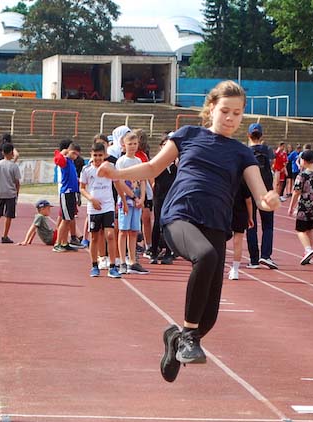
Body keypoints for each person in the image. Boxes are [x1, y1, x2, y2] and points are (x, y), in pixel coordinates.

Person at [96, 80, 280, 383]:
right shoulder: (188, 136)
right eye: (225, 111)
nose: (231, 118)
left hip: (216, 227)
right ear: (211, 109)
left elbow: (261, 194)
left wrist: (268, 200)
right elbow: (153, 168)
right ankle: (188, 339)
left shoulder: (242, 154)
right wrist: (118, 173)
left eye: (237, 113)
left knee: (208, 319)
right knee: (205, 258)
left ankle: (176, 339)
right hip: (179, 218)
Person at [79, 142, 121, 278]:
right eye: (95, 155)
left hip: (108, 205)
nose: (97, 158)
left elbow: (117, 184)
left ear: (105, 156)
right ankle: (94, 265)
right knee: (94, 237)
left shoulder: (110, 168)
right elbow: (82, 188)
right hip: (94, 208)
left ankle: (113, 266)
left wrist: (124, 201)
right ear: (91, 155)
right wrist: (91, 199)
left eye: (100, 155)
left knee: (110, 235)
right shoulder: (86, 170)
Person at [114, 131, 149, 275]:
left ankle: (132, 260)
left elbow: (142, 180)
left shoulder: (138, 161)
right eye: (130, 144)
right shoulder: (121, 162)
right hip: (126, 201)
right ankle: (122, 260)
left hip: (137, 201)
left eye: (135, 144)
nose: (133, 147)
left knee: (134, 231)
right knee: (123, 230)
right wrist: (132, 197)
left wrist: (142, 198)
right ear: (124, 145)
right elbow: (120, 182)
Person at [245, 123, 278, 270]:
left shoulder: (245, 151)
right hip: (266, 192)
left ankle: (253, 259)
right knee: (268, 226)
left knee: (251, 225)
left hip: (250, 191)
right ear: (262, 136)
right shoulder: (267, 150)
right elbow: (274, 167)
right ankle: (266, 255)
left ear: (248, 135)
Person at [288, 149, 313, 265]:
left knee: (300, 230)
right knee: (310, 229)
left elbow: (296, 192)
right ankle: (308, 252)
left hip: (304, 204)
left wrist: (291, 207)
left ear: (304, 161)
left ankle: (308, 249)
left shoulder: (303, 175)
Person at [148, 133, 177, 265]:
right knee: (158, 223)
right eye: (164, 145)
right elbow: (151, 177)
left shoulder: (177, 163)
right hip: (159, 196)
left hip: (173, 197)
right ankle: (154, 251)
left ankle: (168, 253)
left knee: (171, 225)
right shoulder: (157, 163)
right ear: (160, 147)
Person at [53, 143, 82, 252]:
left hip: (72, 193)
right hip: (66, 193)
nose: (75, 156)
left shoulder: (71, 163)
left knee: (69, 219)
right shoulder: (64, 161)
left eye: (77, 155)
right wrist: (63, 152)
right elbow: (57, 159)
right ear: (68, 151)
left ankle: (64, 242)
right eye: (73, 153)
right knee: (65, 220)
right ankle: (58, 243)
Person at [0, 143, 20, 244]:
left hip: (0, 192)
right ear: (11, 152)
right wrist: (17, 194)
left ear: (2, 152)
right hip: (10, 193)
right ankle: (5, 236)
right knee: (8, 216)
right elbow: (17, 182)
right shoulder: (14, 166)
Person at [228, 180, 253, 280]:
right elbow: (249, 201)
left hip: (225, 212)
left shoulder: (224, 178)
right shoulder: (243, 181)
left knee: (219, 241)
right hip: (240, 213)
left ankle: (217, 268)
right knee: (238, 242)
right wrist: (250, 216)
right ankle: (235, 270)